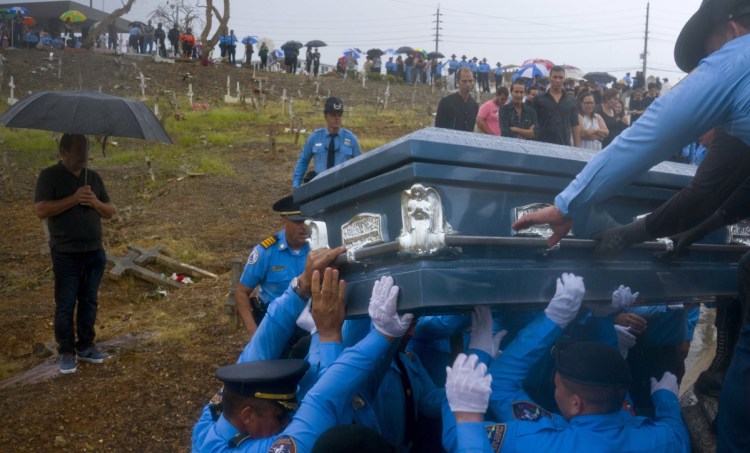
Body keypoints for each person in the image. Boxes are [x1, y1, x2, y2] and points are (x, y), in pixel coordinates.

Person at [510, 4, 750, 449]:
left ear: (732, 27)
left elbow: (651, 134)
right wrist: (667, 234)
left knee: (740, 417)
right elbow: (716, 194)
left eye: (707, 53)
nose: (707, 65)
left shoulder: (739, 59)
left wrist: (568, 205)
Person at [442, 273, 690, 452]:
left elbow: (462, 433)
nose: (554, 387)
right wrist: (602, 317)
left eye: (557, 384)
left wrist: (465, 411)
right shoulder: (658, 439)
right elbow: (677, 433)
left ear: (575, 403)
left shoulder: (534, 442)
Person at [192, 267, 414, 453]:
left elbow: (255, 356)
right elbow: (323, 401)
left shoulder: (209, 427)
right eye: (280, 416)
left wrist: (300, 287)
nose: (289, 421)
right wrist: (381, 335)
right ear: (248, 416)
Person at [33, 134, 116, 374]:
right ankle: (67, 352)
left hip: (94, 252)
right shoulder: (49, 176)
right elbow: (40, 210)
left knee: (89, 301)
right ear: (63, 152)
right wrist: (74, 198)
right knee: (66, 303)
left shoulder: (94, 177)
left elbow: (110, 210)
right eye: (79, 150)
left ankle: (86, 346)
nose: (84, 155)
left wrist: (94, 202)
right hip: (66, 253)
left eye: (86, 149)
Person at [235, 195, 310, 339]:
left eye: (307, 221)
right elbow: (242, 292)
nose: (304, 227)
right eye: (298, 222)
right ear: (284, 222)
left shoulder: (317, 247)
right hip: (275, 324)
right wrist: (253, 331)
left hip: (310, 323)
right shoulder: (266, 252)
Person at [292, 97, 362, 188]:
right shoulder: (315, 137)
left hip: (342, 188)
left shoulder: (351, 139)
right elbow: (303, 161)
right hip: (319, 188)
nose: (337, 119)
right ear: (325, 116)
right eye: (333, 115)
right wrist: (296, 185)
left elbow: (360, 165)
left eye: (340, 115)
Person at [531, 66, 580, 147]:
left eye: (560, 78)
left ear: (564, 79)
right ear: (549, 78)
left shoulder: (571, 101)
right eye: (555, 77)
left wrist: (577, 147)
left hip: (564, 145)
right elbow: (532, 123)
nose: (558, 80)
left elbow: (575, 125)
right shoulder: (538, 99)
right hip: (542, 146)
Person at [435, 67, 479, 132]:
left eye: (470, 81)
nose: (468, 84)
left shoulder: (474, 105)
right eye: (464, 81)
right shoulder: (446, 102)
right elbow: (437, 127)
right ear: (457, 82)